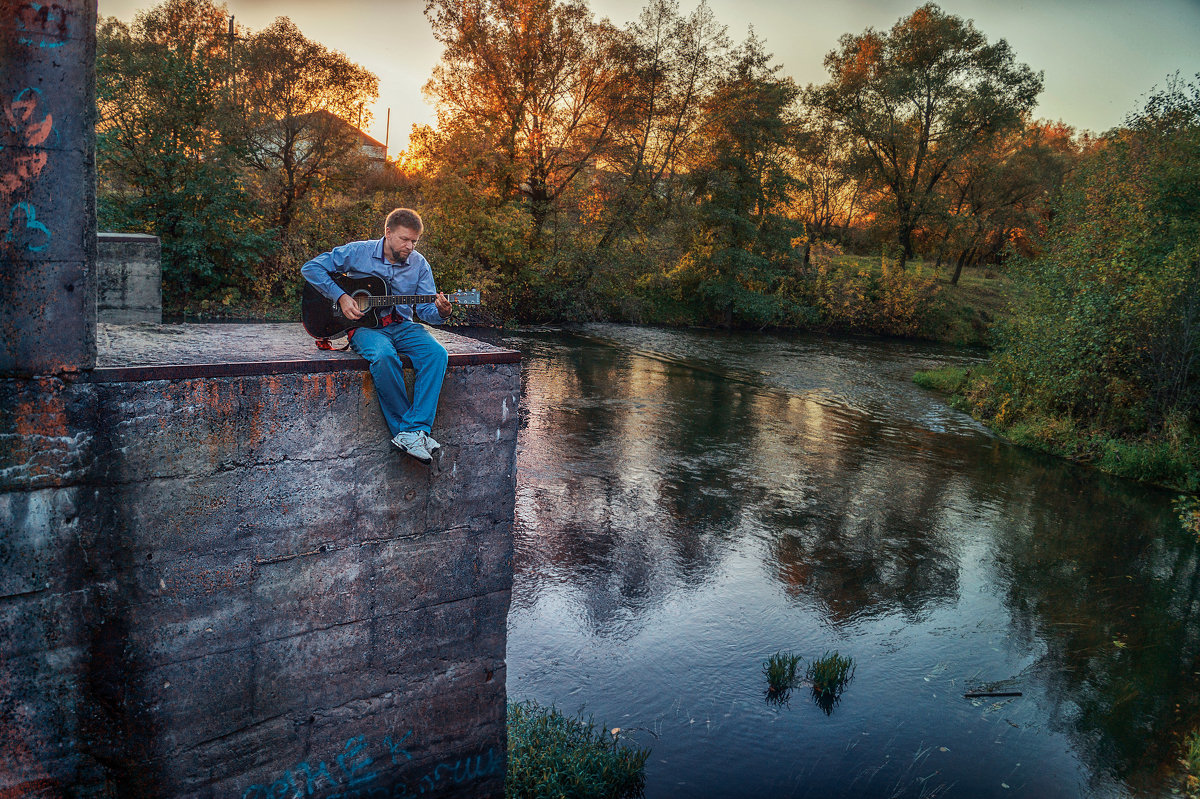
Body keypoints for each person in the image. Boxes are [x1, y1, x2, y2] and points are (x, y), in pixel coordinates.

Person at [301, 208, 451, 465]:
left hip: (403, 326)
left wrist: (442, 312)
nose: (410, 246)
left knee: (437, 354)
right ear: (388, 232)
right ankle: (408, 433)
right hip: (365, 328)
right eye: (404, 239)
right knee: (383, 356)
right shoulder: (359, 251)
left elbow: (426, 311)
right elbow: (311, 268)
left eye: (414, 241)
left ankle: (416, 430)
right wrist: (341, 296)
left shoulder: (419, 264)